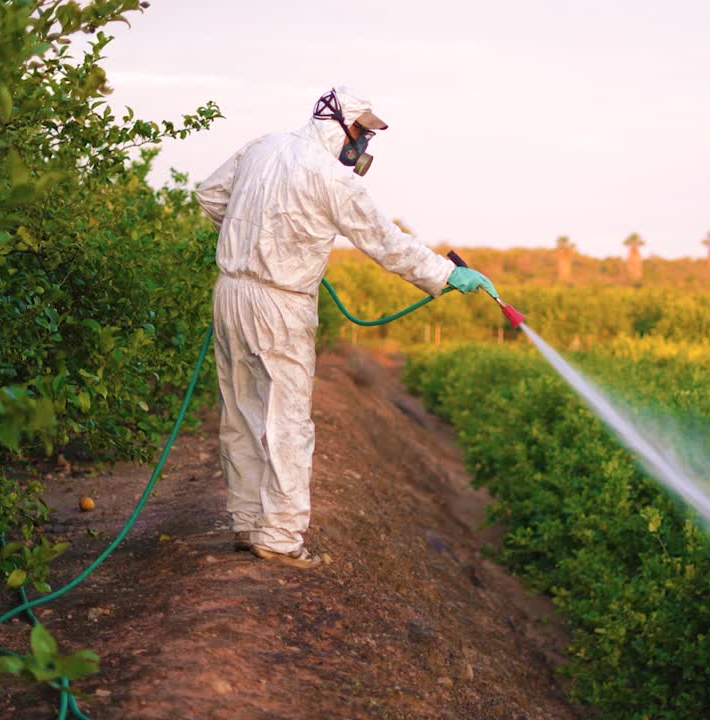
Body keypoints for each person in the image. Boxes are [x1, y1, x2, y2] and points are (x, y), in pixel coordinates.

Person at [194, 87, 496, 569]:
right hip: (281, 301)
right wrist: (445, 273)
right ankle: (280, 535)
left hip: (231, 290)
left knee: (243, 410)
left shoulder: (263, 147)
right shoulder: (334, 179)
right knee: (287, 418)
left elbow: (210, 195)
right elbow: (386, 242)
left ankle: (248, 521)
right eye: (363, 133)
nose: (364, 147)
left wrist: (252, 240)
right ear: (341, 125)